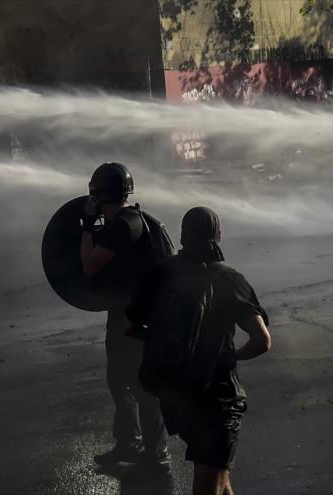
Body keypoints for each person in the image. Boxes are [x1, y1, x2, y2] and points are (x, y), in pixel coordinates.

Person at [127, 207, 271, 495]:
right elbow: (262, 340)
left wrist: (168, 344)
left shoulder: (162, 273)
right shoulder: (230, 279)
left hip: (179, 396)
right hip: (217, 396)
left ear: (182, 235)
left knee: (220, 478)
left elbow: (131, 327)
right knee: (209, 485)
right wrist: (232, 356)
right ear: (217, 235)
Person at [79, 162, 170, 472]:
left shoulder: (120, 226)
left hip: (134, 319)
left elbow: (90, 265)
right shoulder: (135, 219)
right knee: (120, 380)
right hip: (128, 314)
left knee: (140, 384)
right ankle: (129, 441)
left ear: (99, 195)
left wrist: (88, 227)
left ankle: (155, 452)